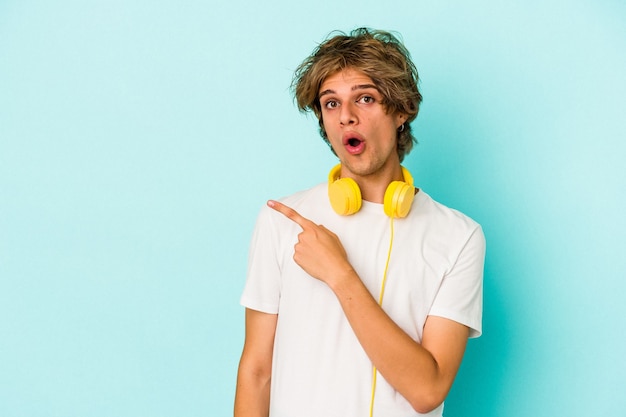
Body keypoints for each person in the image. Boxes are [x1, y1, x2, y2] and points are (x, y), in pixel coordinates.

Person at [234, 28, 485, 417]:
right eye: (331, 103)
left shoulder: (458, 236)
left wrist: (339, 273)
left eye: (365, 98)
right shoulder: (282, 221)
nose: (347, 116)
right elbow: (257, 372)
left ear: (401, 110)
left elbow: (427, 390)